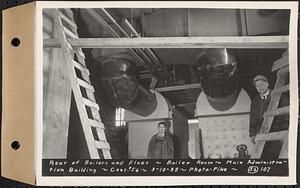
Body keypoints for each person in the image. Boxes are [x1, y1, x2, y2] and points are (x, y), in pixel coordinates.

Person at [249, 75, 271, 144]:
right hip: (261, 135)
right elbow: (253, 119)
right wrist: (252, 135)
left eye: (262, 84)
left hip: (276, 133)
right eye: (257, 86)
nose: (260, 88)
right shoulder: (255, 101)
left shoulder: (277, 95)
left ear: (267, 84)